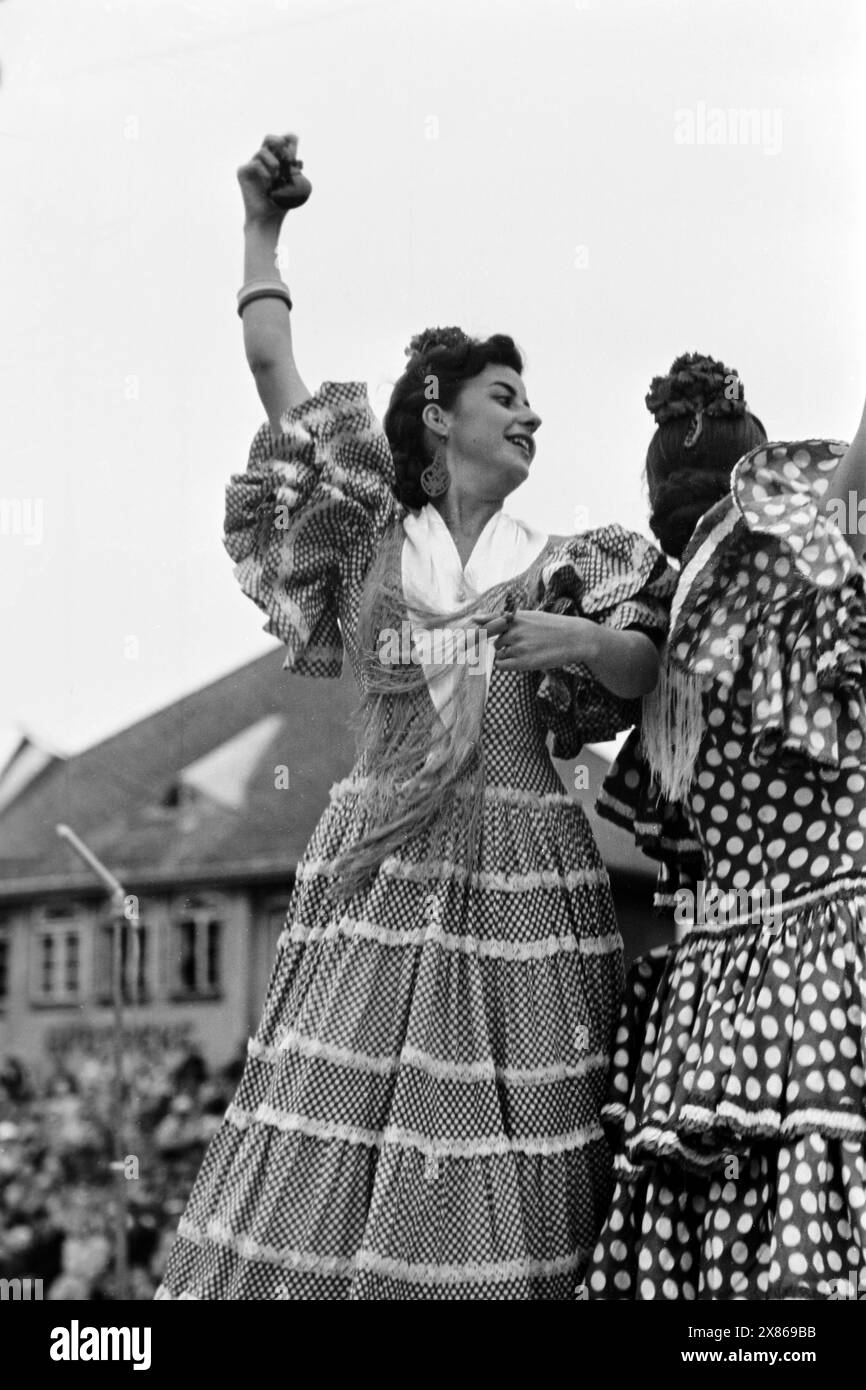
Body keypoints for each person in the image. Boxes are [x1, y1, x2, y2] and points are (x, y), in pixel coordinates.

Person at [155, 132, 676, 1300]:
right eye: (506, 396)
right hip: (386, 874)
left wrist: (583, 643)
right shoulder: (367, 539)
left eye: (532, 399)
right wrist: (261, 228)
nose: (530, 414)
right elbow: (272, 369)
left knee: (507, 1155)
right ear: (439, 420)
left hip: (521, 882)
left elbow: (644, 672)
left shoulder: (562, 566)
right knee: (337, 1140)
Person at [586, 352, 866, 1300]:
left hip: (714, 991)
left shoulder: (663, 644)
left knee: (726, 1254)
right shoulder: (790, 591)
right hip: (832, 952)